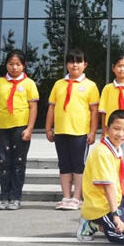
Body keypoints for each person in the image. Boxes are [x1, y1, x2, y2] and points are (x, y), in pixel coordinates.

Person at [77, 109, 124, 244]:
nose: (121, 134)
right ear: (107, 129)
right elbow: (108, 185)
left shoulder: (114, 147)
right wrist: (116, 216)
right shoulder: (102, 152)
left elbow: (114, 176)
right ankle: (93, 224)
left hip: (117, 198)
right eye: (116, 129)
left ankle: (120, 218)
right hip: (102, 207)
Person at [45, 48, 99, 210]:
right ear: (67, 64)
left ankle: (77, 197)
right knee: (64, 165)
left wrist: (92, 131)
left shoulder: (90, 86)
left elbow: (94, 110)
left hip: (80, 132)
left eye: (78, 61)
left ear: (85, 65)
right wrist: (48, 128)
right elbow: (52, 107)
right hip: (61, 131)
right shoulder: (59, 84)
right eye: (71, 61)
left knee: (78, 165)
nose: (74, 65)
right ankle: (66, 196)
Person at [0, 49, 39, 210]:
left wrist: (30, 128)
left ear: (24, 66)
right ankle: (4, 197)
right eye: (11, 64)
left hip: (21, 127)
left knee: (18, 163)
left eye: (18, 64)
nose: (14, 67)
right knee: (3, 162)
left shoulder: (29, 83)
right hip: (2, 128)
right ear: (6, 65)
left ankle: (16, 197)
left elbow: (33, 107)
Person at [98, 55, 124, 192]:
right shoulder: (108, 88)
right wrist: (104, 131)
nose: (121, 69)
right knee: (111, 163)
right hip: (111, 134)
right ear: (113, 68)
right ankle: (113, 192)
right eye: (119, 66)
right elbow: (103, 111)